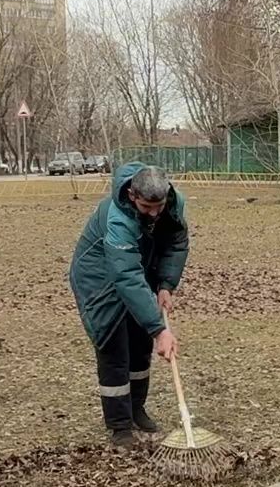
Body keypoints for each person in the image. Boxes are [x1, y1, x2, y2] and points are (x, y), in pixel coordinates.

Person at [69, 163, 190, 446]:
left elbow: (176, 242)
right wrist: (160, 330)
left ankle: (136, 409)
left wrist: (165, 285)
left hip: (137, 267)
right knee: (113, 344)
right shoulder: (117, 218)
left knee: (138, 342)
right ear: (133, 195)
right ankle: (120, 425)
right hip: (98, 277)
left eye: (158, 206)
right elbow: (124, 275)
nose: (154, 213)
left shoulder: (172, 203)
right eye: (147, 206)